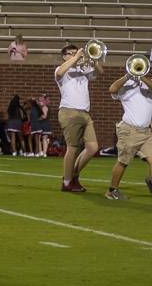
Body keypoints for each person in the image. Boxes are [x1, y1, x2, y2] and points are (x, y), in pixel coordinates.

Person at [55, 43, 102, 193]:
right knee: (73, 148)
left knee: (93, 148)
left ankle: (73, 175)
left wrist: (92, 58)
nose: (75, 54)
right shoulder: (61, 69)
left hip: (85, 113)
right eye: (70, 53)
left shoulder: (83, 70)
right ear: (64, 56)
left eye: (76, 52)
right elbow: (60, 72)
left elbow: (100, 72)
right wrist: (76, 57)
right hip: (69, 111)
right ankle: (67, 182)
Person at [105, 65, 152, 200]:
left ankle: (151, 181)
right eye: (136, 67)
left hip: (146, 132)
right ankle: (112, 190)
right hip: (129, 130)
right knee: (123, 161)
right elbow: (112, 89)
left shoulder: (148, 84)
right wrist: (128, 76)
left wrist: (142, 76)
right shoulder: (126, 85)